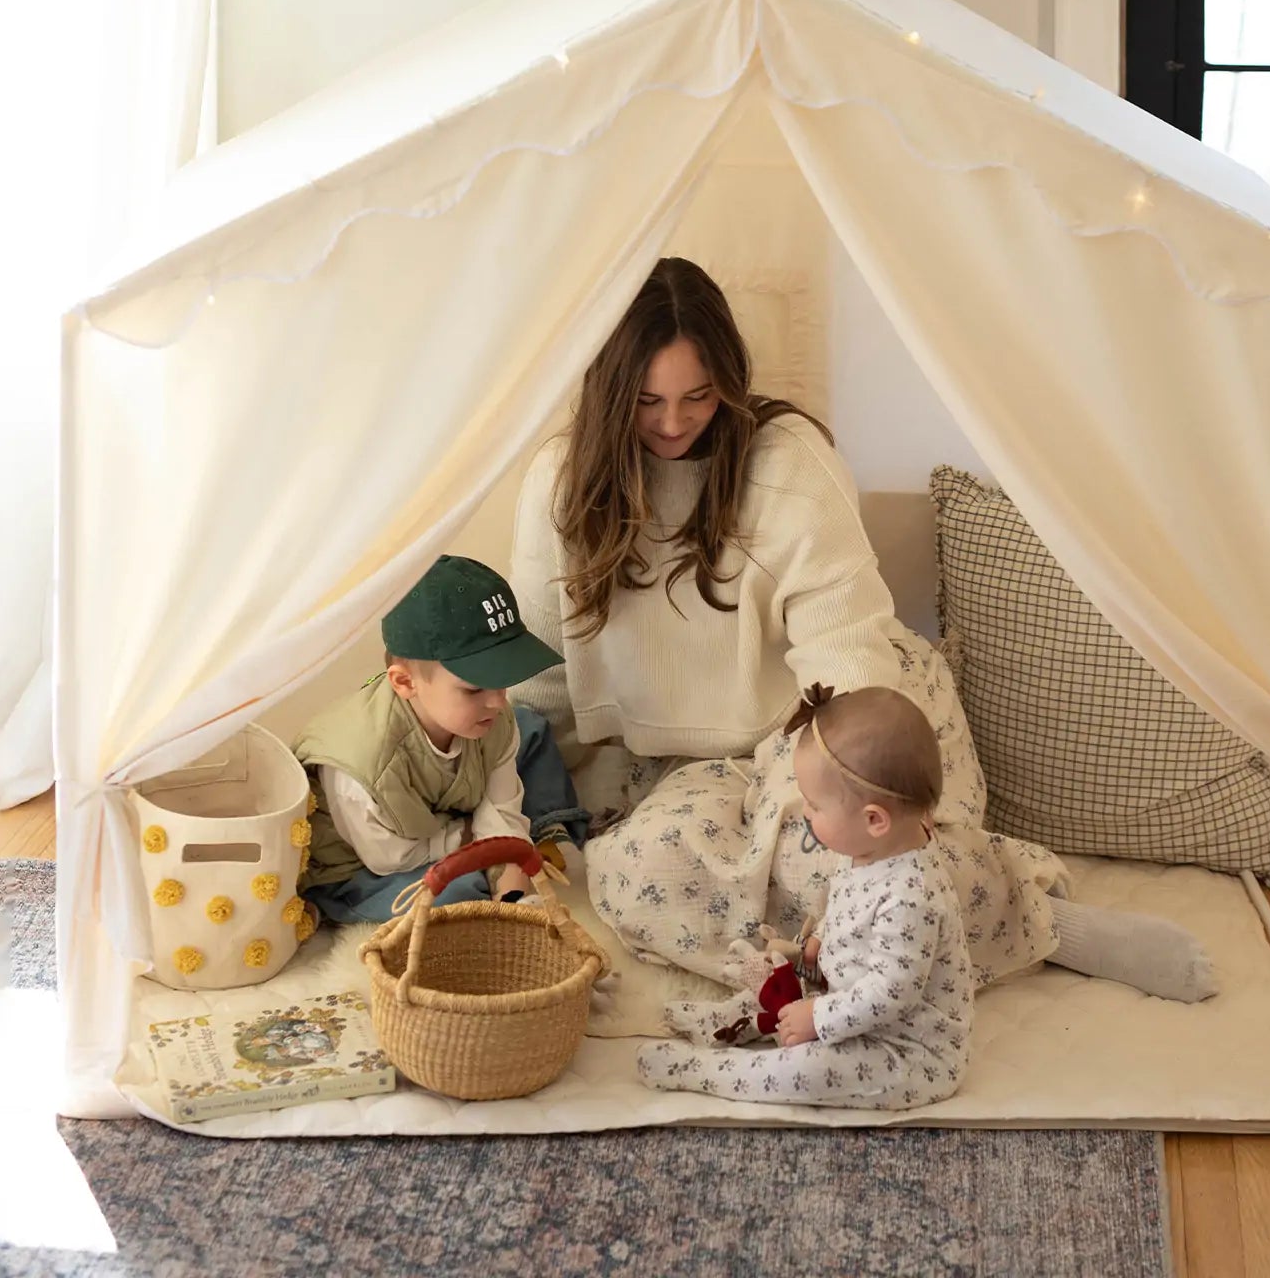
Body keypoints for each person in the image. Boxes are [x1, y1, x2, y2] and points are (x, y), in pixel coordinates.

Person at [512, 258, 1215, 1002]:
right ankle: (826, 972)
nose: (674, 422)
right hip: (687, 767)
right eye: (648, 401)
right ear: (609, 392)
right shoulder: (559, 485)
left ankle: (1048, 922)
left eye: (699, 395)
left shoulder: (786, 460)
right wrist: (510, 799)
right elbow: (542, 676)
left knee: (851, 850)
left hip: (833, 717)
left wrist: (838, 784)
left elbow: (845, 648)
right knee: (632, 874)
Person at [637, 685, 971, 1110]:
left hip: (906, 1050)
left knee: (805, 1070)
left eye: (814, 805)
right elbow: (852, 902)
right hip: (845, 999)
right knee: (782, 986)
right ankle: (732, 1021)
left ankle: (701, 1072)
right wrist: (822, 941)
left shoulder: (913, 896)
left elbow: (891, 993)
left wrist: (819, 1018)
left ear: (874, 820)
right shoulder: (878, 847)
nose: (806, 811)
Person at [293, 555, 587, 924]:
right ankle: (488, 864)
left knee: (528, 727)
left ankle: (550, 829)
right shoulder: (363, 766)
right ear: (404, 682)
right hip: (364, 866)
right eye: (475, 687)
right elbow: (389, 858)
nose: (497, 700)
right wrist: (472, 839)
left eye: (503, 678)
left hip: (438, 810)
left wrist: (508, 853)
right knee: (456, 896)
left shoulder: (493, 715)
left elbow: (500, 810)